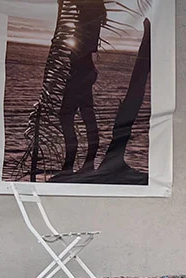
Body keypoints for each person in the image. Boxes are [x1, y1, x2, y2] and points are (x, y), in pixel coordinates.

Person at [58, 0, 106, 175]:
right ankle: (79, 163)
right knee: (82, 115)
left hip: (81, 72)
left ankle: (74, 163)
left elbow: (86, 47)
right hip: (81, 71)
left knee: (69, 114)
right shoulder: (89, 13)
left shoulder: (90, 13)